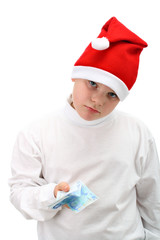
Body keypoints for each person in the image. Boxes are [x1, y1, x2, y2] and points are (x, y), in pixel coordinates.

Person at [9, 17, 160, 240]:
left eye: (111, 94)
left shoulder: (136, 131)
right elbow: (19, 193)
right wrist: (51, 194)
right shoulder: (37, 132)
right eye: (92, 84)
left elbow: (151, 196)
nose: (97, 100)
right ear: (76, 76)